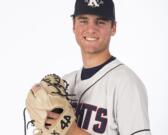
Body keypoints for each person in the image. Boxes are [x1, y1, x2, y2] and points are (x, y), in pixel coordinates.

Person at [45, 0, 151, 134]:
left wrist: (72, 131)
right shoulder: (65, 83)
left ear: (113, 28)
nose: (91, 29)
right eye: (83, 21)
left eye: (100, 22)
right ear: (73, 25)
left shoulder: (126, 84)